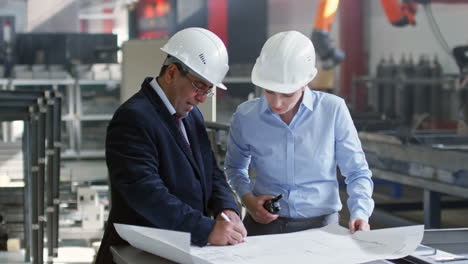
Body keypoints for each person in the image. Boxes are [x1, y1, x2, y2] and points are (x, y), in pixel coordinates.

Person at [95, 27, 247, 263]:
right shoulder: (133, 118)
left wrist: (226, 209)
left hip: (183, 249)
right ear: (172, 73)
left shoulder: (190, 115)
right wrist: (205, 229)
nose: (202, 98)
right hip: (139, 253)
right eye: (199, 86)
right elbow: (146, 193)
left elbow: (211, 172)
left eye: (209, 89)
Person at [225, 31, 374, 236]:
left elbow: (357, 172)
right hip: (263, 225)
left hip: (322, 227)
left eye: (287, 94)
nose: (277, 103)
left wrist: (360, 213)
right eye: (269, 91)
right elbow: (234, 168)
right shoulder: (245, 116)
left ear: (306, 82)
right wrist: (248, 201)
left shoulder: (333, 110)